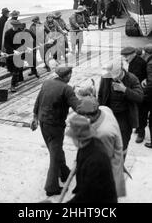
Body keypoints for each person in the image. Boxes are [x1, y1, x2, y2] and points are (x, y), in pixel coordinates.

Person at [31, 66, 80, 197]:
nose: (71, 76)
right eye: (70, 74)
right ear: (68, 75)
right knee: (54, 155)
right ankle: (51, 187)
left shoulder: (47, 82)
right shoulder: (67, 89)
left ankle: (64, 173)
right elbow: (78, 107)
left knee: (56, 150)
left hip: (43, 123)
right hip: (55, 126)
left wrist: (35, 118)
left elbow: (38, 101)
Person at [76, 97, 126, 198]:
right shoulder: (104, 109)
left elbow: (102, 158)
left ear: (89, 116)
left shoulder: (102, 133)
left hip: (108, 164)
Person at [66, 114, 117, 203]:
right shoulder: (87, 144)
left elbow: (86, 196)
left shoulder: (96, 161)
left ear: (79, 139)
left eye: (72, 137)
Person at [98, 60, 143, 158]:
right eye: (112, 75)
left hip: (125, 117)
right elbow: (101, 95)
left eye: (116, 74)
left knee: (122, 143)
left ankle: (120, 164)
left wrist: (124, 89)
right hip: (109, 116)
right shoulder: (106, 77)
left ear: (122, 69)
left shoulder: (131, 79)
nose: (114, 77)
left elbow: (140, 97)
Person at [120, 46, 148, 143]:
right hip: (135, 91)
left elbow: (137, 78)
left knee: (141, 113)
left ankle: (141, 133)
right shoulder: (133, 62)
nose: (125, 59)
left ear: (133, 54)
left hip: (140, 92)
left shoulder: (139, 63)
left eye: (126, 56)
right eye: (124, 56)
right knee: (136, 111)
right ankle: (138, 127)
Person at [4, 20, 25, 92]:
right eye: (15, 26)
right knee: (12, 69)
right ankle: (16, 81)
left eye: (17, 26)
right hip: (11, 53)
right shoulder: (8, 33)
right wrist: (13, 51)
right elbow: (6, 45)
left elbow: (23, 42)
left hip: (19, 53)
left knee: (16, 69)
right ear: (12, 25)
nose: (16, 27)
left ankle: (12, 85)